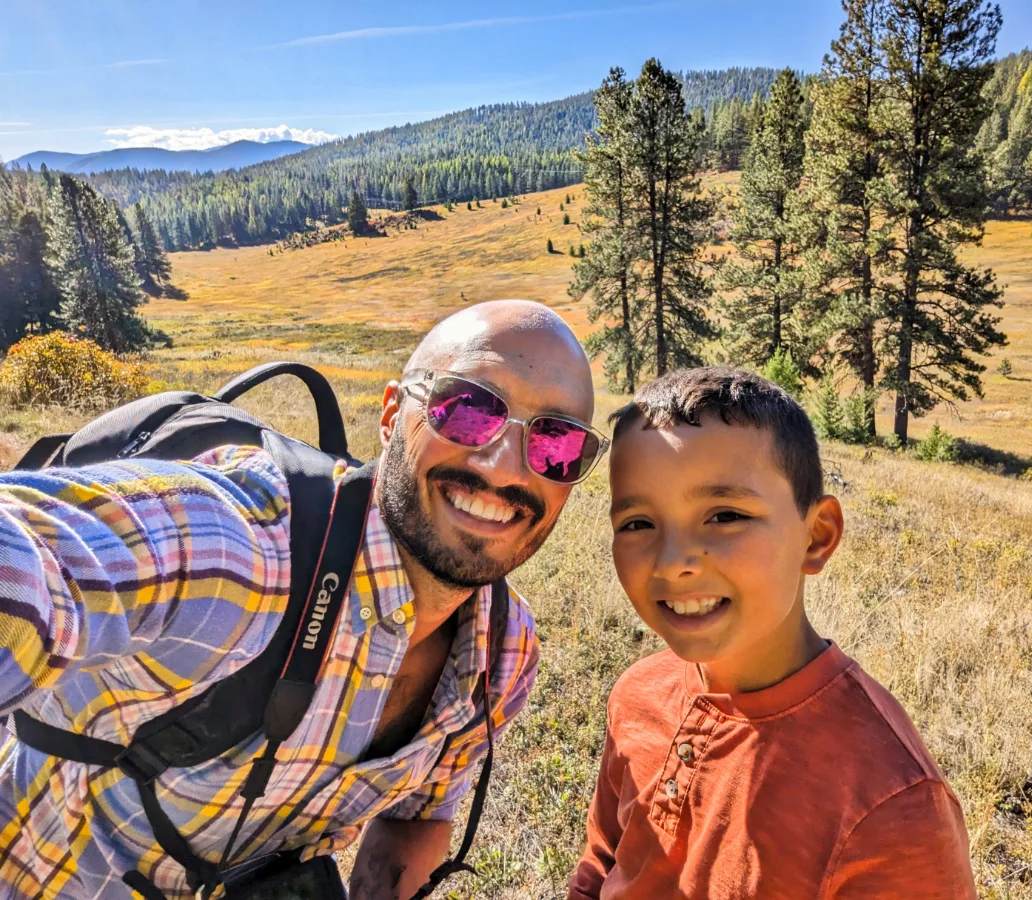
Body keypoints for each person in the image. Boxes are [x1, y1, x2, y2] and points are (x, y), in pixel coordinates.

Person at [0, 300, 607, 900]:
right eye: (469, 409)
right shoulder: (246, 551)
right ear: (393, 414)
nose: (504, 470)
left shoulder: (502, 653)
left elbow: (418, 815)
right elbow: (41, 552)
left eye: (557, 444)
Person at [569, 367, 976, 900]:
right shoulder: (637, 694)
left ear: (816, 536)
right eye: (638, 523)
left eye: (725, 515)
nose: (672, 563)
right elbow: (603, 861)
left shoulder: (890, 806)